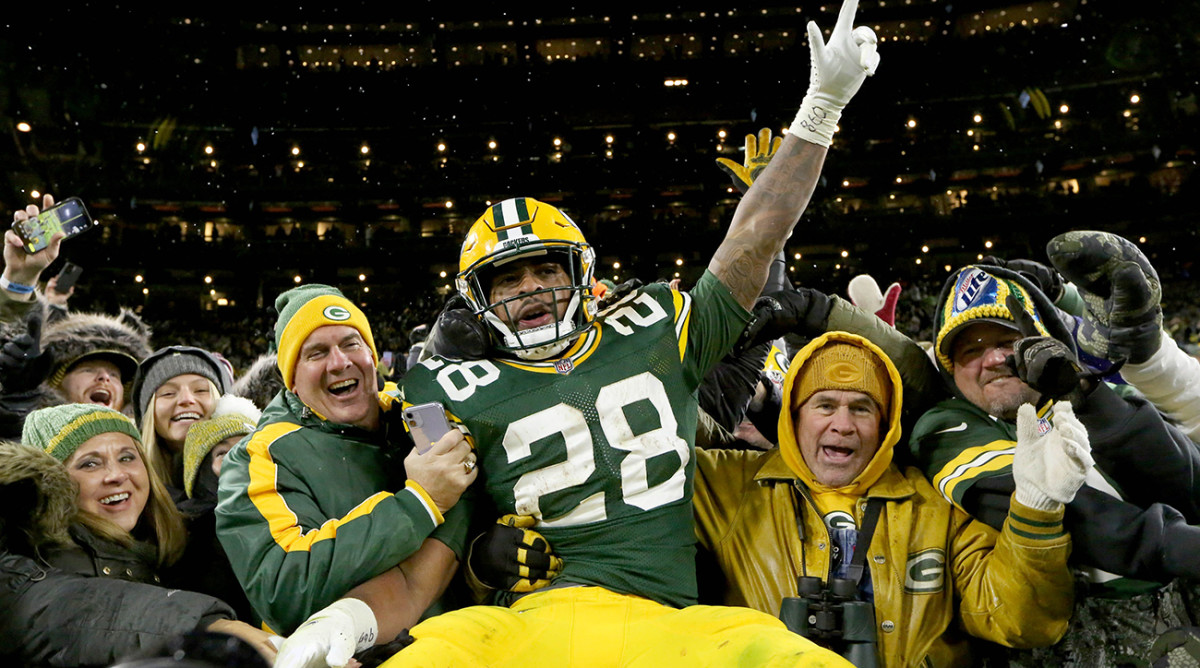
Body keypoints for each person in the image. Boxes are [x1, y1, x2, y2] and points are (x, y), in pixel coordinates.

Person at [343, 3, 883, 665]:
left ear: (582, 276)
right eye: (507, 281)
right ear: (478, 302)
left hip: (669, 618)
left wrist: (820, 108)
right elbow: (441, 523)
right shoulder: (440, 386)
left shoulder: (656, 325)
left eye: (545, 269)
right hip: (526, 623)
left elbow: (753, 239)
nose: (531, 290)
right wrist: (487, 554)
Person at [693, 330, 1080, 666]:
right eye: (824, 405)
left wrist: (1035, 508)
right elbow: (642, 461)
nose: (842, 425)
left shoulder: (936, 506)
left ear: (885, 424)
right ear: (793, 418)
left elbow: (1021, 622)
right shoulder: (728, 484)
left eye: (861, 408)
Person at [911, 263, 1200, 664]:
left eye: (1008, 339)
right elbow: (1073, 518)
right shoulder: (944, 427)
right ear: (950, 370)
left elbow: (1186, 484)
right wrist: (1182, 548)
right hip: (1063, 640)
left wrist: (1089, 399)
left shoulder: (1089, 389)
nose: (993, 358)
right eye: (970, 350)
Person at [216, 284, 477, 644]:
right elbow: (284, 590)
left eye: (351, 344)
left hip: (465, 643)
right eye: (316, 353)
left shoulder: (417, 412)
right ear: (292, 378)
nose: (339, 362)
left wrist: (484, 558)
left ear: (371, 356)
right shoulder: (259, 457)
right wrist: (418, 504)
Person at [1, 403, 276, 664]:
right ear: (54, 485)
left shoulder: (185, 548)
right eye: (90, 464)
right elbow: (66, 611)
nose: (116, 475)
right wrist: (207, 626)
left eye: (127, 457)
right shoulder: (32, 558)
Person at [131, 345, 233, 494]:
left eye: (201, 390)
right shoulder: (131, 484)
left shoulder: (251, 465)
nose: (186, 399)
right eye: (168, 393)